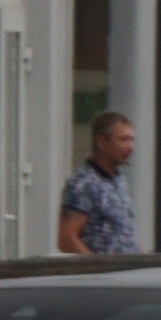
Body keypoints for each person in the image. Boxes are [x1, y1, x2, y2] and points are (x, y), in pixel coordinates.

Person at [58, 110, 140, 256]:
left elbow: (124, 233)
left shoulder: (119, 180)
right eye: (123, 140)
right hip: (104, 275)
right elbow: (67, 238)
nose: (130, 147)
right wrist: (95, 269)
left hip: (126, 272)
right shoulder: (84, 183)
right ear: (102, 142)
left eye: (131, 140)